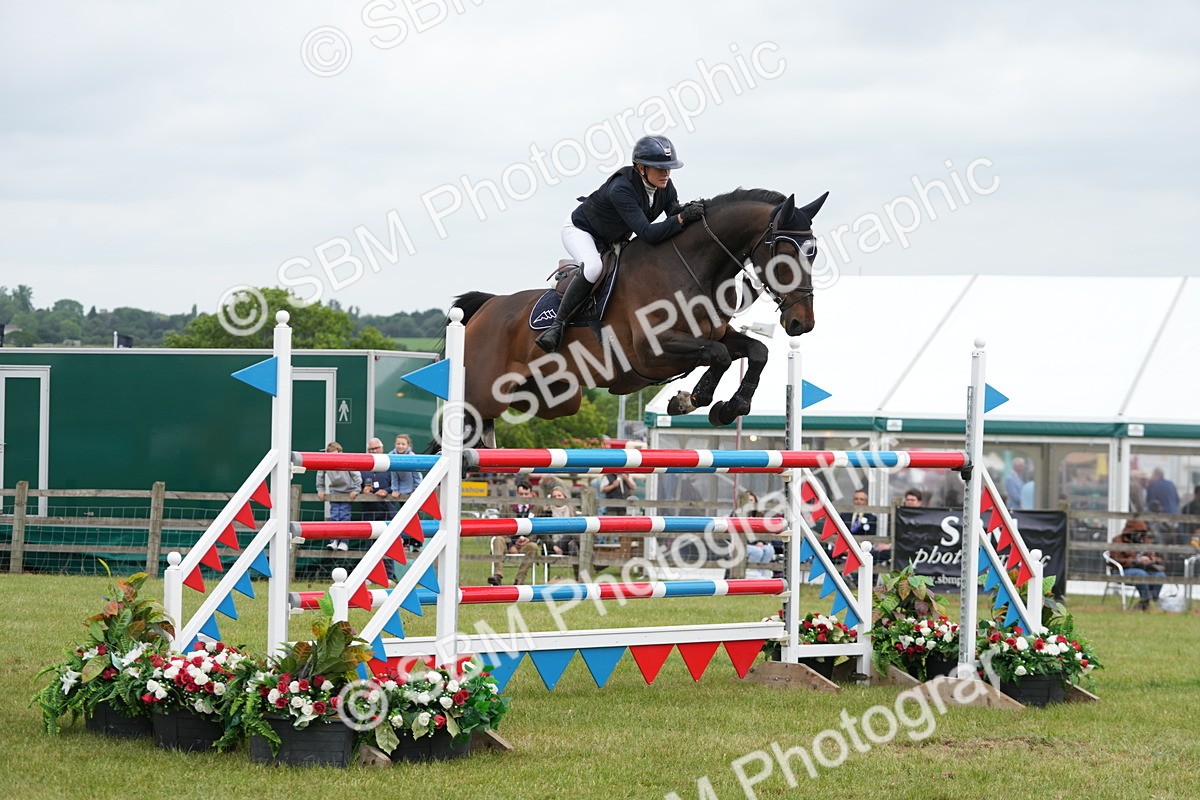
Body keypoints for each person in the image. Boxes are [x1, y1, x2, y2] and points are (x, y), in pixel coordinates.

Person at [534, 134, 705, 353]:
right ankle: (557, 327)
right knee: (594, 268)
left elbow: (672, 210)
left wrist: (689, 212)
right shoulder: (622, 188)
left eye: (668, 168)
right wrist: (681, 219)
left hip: (613, 238)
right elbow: (647, 233)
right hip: (582, 231)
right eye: (659, 168)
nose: (666, 173)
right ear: (641, 168)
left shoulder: (665, 186)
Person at [359, 437, 401, 580]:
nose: (374, 451)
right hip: (369, 510)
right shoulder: (364, 467)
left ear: (382, 448)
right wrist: (363, 490)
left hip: (387, 510)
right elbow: (357, 486)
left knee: (387, 544)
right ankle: (369, 577)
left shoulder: (390, 465)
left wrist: (386, 491)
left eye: (376, 448)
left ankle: (388, 576)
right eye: (371, 449)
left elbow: (396, 485)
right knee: (369, 545)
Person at [489, 481, 539, 586]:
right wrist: (510, 544)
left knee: (534, 546)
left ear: (531, 494)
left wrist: (529, 539)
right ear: (516, 494)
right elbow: (501, 527)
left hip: (526, 543)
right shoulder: (507, 507)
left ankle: (519, 580)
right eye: (521, 494)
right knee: (498, 539)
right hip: (507, 542)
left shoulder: (537, 508)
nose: (523, 497)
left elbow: (539, 529)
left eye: (526, 494)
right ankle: (497, 575)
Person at [1111, 519, 1166, 611]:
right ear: (1130, 532)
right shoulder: (1118, 540)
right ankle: (1145, 600)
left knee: (1160, 575)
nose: (1140, 535)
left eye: (1142, 533)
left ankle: (1151, 600)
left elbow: (1158, 558)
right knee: (1140, 574)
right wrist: (1136, 561)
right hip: (1122, 571)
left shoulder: (1145, 541)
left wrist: (1151, 560)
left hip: (1144, 570)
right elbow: (1116, 560)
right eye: (1137, 532)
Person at [314, 441, 360, 552]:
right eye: (330, 455)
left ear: (341, 452)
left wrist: (356, 489)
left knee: (344, 516)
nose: (333, 458)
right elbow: (320, 475)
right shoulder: (326, 462)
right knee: (334, 516)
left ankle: (344, 542)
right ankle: (333, 541)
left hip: (348, 491)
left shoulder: (347, 461)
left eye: (335, 454)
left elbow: (357, 475)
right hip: (334, 491)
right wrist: (320, 489)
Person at [390, 434, 422, 550]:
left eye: (403, 444)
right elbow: (393, 474)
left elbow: (417, 475)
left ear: (408, 445)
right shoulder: (392, 456)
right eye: (398, 443)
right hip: (401, 490)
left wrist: (416, 491)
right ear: (395, 444)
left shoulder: (412, 456)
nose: (400, 446)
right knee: (403, 516)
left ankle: (417, 542)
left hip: (412, 489)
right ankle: (406, 542)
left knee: (414, 516)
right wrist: (395, 489)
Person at [841, 488, 888, 566]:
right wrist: (845, 548)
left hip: (863, 549)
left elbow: (871, 537)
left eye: (861, 499)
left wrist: (859, 549)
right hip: (845, 548)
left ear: (866, 502)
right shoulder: (844, 515)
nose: (858, 501)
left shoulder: (871, 518)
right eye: (856, 499)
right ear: (853, 500)